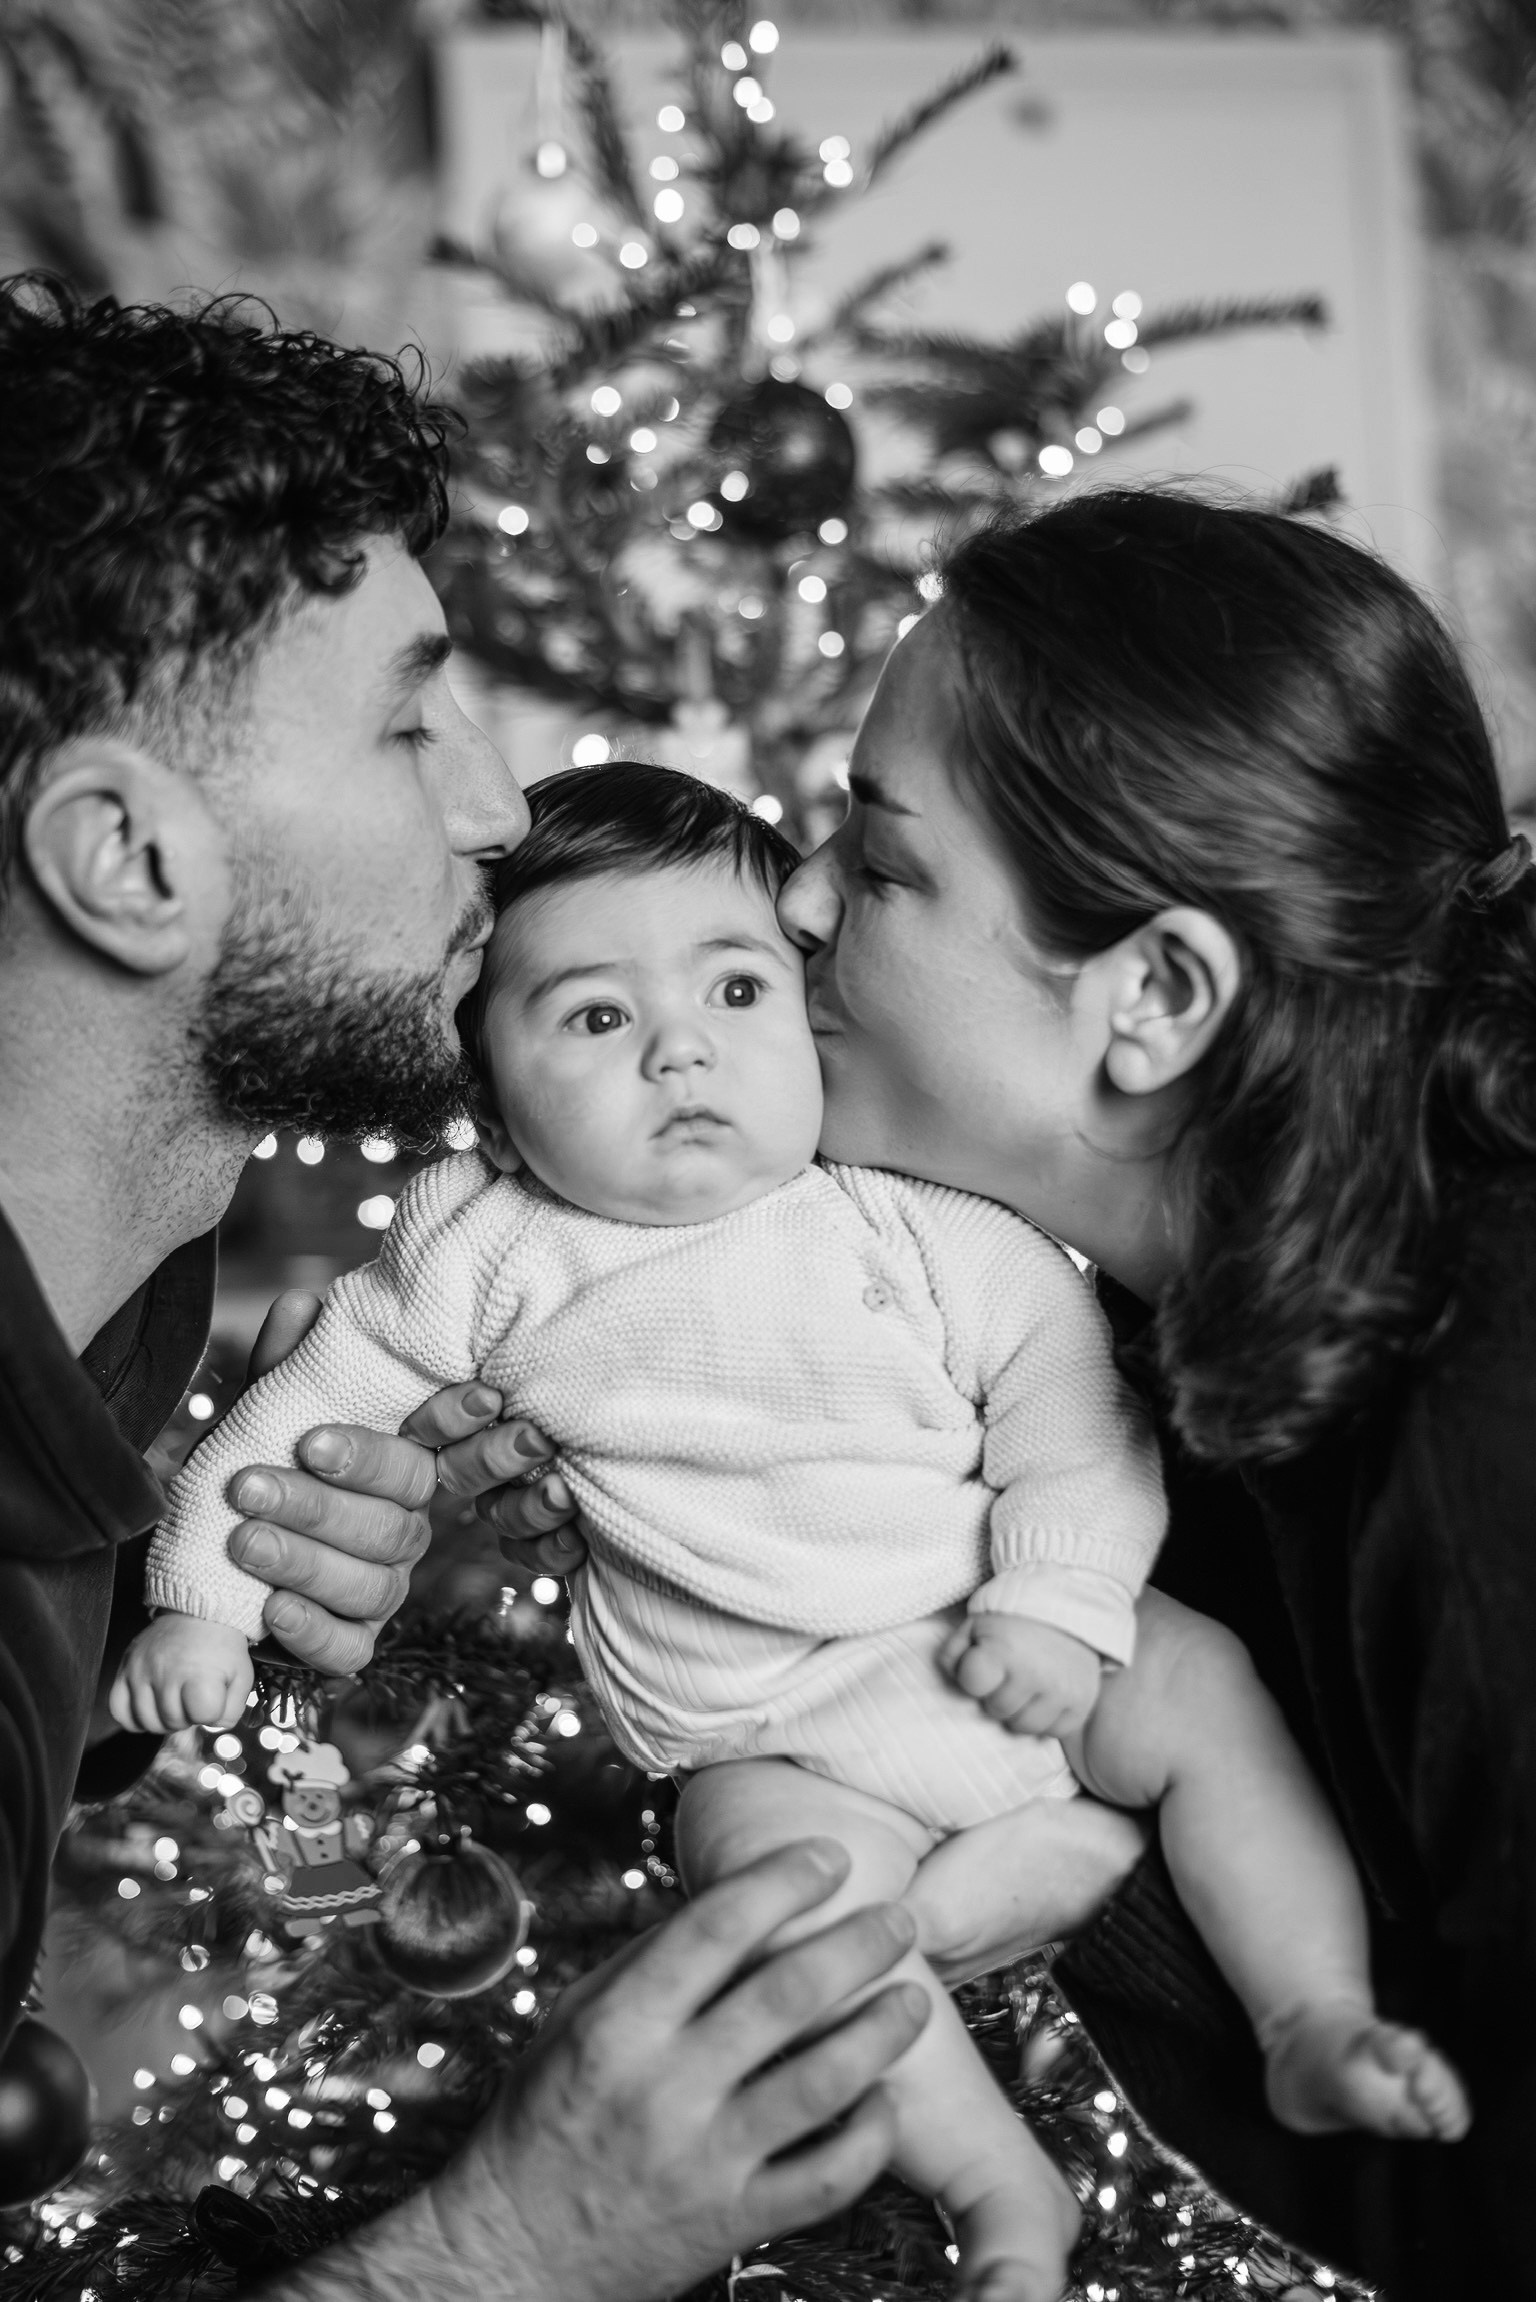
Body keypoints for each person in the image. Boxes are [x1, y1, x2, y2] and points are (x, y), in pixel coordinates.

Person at [124, 760, 1469, 2300]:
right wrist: (199, 1605)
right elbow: (306, 1413)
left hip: (992, 1630)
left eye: (740, 986)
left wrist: (1060, 1596)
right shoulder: (483, 1250)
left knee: (1201, 1686)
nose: (682, 1047)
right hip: (766, 1732)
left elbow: (1068, 1410)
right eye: (596, 1017)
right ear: (487, 1103)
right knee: (774, 1898)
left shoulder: (911, 1216)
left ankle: (1310, 2011)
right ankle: (998, 2190)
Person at [0, 276, 928, 2302]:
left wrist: (167, 1652)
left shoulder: (113, 1343)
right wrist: (520, 2237)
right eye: (412, 717)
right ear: (126, 861)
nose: (501, 809)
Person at [502, 489, 1536, 2296]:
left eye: (886, 863)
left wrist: (1082, 1883)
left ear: (1153, 996)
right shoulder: (1177, 1335)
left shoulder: (1478, 1449)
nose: (798, 894)